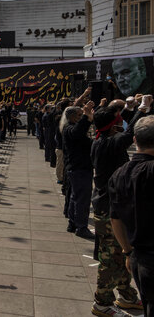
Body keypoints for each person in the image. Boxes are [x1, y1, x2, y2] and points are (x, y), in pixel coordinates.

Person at [90, 98, 151, 316]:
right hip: (108, 210)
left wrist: (129, 109)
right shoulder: (109, 143)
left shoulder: (101, 140)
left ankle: (127, 295)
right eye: (118, 121)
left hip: (111, 205)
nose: (121, 124)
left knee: (124, 254)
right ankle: (102, 302)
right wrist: (141, 109)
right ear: (113, 126)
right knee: (110, 258)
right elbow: (132, 131)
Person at [109, 115, 154, 317]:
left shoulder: (120, 174)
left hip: (139, 257)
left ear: (135, 140)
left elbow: (115, 218)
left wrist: (128, 251)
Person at [61, 101, 95, 239]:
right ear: (73, 117)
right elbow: (77, 133)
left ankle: (73, 222)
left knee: (76, 197)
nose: (82, 117)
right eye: (80, 115)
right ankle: (81, 226)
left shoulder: (73, 128)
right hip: (78, 168)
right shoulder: (69, 128)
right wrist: (87, 118)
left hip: (80, 167)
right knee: (82, 199)